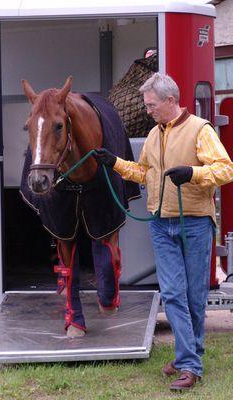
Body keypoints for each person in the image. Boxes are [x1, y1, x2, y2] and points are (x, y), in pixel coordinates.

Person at [93, 73, 233, 391]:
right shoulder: (155, 134)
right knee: (172, 294)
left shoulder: (201, 129)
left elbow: (226, 169)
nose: (147, 111)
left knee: (194, 297)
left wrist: (193, 173)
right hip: (160, 224)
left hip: (195, 223)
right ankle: (189, 363)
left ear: (170, 101)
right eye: (147, 105)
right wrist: (114, 162)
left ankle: (188, 358)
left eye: (151, 105)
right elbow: (144, 173)